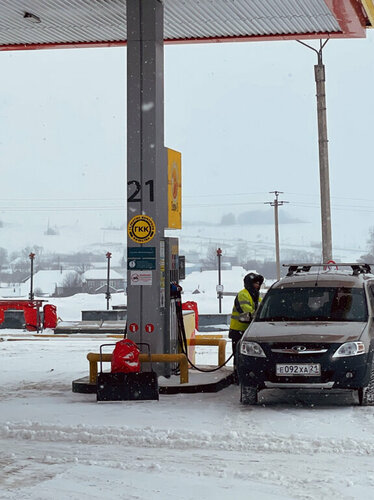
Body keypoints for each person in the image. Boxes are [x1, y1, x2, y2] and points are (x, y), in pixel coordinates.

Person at [229, 272, 264, 379]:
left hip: (249, 330)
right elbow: (249, 311)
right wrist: (262, 314)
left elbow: (262, 307)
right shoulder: (243, 294)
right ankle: (237, 375)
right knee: (239, 356)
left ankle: (247, 375)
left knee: (248, 356)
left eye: (259, 283)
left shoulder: (256, 295)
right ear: (249, 283)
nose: (257, 285)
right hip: (238, 330)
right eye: (255, 283)